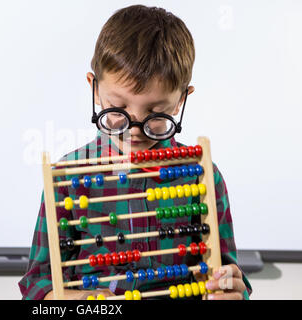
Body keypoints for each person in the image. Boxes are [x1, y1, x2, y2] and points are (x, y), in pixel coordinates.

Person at [19, 4, 252, 300]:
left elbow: (229, 274)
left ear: (181, 100)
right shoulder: (67, 178)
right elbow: (37, 285)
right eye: (118, 107)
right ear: (94, 89)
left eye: (157, 112)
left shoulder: (202, 175)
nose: (135, 130)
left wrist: (233, 290)